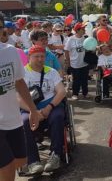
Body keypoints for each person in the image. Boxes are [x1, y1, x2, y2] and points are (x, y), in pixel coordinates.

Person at [0, 14, 41, 181]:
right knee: (8, 169)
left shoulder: (10, 52)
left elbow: (19, 82)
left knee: (19, 161)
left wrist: (33, 109)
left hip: (13, 119)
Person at [20, 45, 66, 174]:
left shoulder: (51, 71)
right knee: (23, 122)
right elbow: (18, 97)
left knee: (58, 117)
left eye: (42, 56)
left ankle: (55, 155)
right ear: (29, 57)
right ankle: (33, 161)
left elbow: (61, 91)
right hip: (29, 108)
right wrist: (34, 111)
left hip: (50, 105)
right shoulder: (22, 73)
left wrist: (49, 107)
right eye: (36, 56)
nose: (40, 59)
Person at [64, 22, 88, 100]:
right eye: (82, 28)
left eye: (84, 28)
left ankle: (85, 93)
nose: (84, 30)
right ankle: (75, 94)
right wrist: (68, 62)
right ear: (77, 30)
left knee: (84, 80)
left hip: (84, 63)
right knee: (76, 80)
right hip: (75, 64)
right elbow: (66, 50)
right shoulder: (71, 39)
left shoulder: (85, 38)